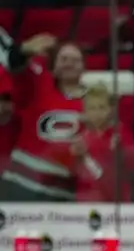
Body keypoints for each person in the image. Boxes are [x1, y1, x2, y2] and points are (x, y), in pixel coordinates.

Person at [0, 31, 85, 201]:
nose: (69, 64)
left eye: (75, 60)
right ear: (53, 66)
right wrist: (24, 50)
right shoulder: (38, 85)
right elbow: (15, 66)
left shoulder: (95, 102)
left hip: (63, 192)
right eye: (64, 59)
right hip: (21, 184)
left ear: (84, 67)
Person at [75, 84, 134, 202]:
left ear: (110, 109)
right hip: (87, 199)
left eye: (101, 107)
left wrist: (117, 150)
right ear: (85, 110)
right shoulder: (81, 138)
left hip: (117, 198)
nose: (97, 113)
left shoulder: (121, 133)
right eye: (92, 108)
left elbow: (131, 163)